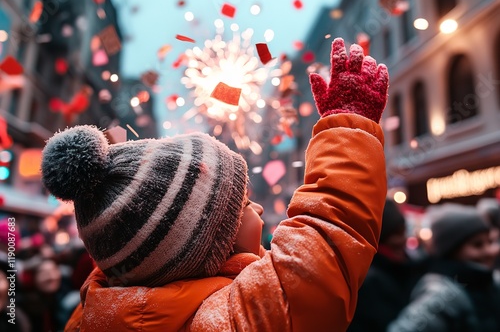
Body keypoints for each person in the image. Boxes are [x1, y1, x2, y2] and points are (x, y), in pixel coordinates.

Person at [41, 37, 389, 332]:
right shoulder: (222, 320)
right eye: (243, 205)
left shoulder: (91, 313)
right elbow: (323, 242)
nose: (259, 208)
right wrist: (347, 127)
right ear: (206, 248)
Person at [388, 205, 500, 332]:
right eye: (477, 245)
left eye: (490, 242)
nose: (489, 251)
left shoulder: (490, 281)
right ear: (452, 250)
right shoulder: (441, 294)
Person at [348, 198, 429, 332]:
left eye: (403, 231)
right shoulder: (367, 281)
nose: (402, 240)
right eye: (395, 234)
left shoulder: (411, 266)